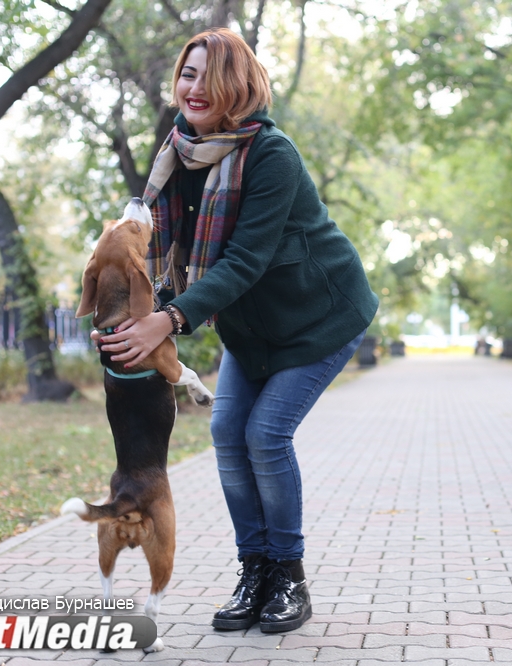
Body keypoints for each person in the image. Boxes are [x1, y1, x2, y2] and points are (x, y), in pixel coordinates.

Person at [96, 28, 378, 634]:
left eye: (210, 76)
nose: (195, 88)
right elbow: (173, 257)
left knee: (266, 435)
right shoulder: (177, 154)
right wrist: (130, 324)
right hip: (254, 329)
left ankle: (288, 578)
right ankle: (254, 571)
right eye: (188, 74)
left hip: (319, 318)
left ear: (240, 86)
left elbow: (244, 260)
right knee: (228, 431)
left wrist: (166, 320)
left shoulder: (271, 155)